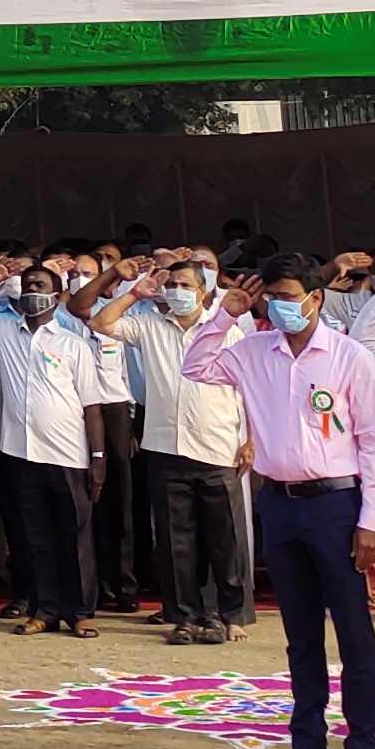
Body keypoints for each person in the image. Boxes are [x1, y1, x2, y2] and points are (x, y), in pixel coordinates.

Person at [185, 256, 375, 749]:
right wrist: (223, 314)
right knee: (300, 633)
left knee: (352, 629)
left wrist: (372, 518)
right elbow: (197, 368)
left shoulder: (349, 356)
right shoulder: (253, 351)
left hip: (337, 503)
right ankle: (308, 747)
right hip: (279, 502)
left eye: (289, 295)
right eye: (270, 296)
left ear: (315, 298)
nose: (279, 305)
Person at [0, 255, 106, 638]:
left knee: (75, 536)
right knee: (34, 536)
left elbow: (92, 406)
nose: (32, 292)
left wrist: (98, 455)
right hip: (21, 453)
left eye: (40, 286)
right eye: (28, 286)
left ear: (56, 296)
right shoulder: (3, 332)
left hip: (69, 454)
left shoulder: (73, 345)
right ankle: (45, 608)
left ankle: (81, 611)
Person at [109, 253, 247, 644]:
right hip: (165, 445)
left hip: (218, 444)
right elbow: (101, 321)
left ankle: (227, 613)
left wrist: (248, 439)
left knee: (224, 538)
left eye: (187, 286)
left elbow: (246, 388)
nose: (178, 292)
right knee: (174, 540)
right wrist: (136, 293)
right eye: (173, 285)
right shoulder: (149, 325)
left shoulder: (226, 330)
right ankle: (183, 616)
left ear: (205, 293)